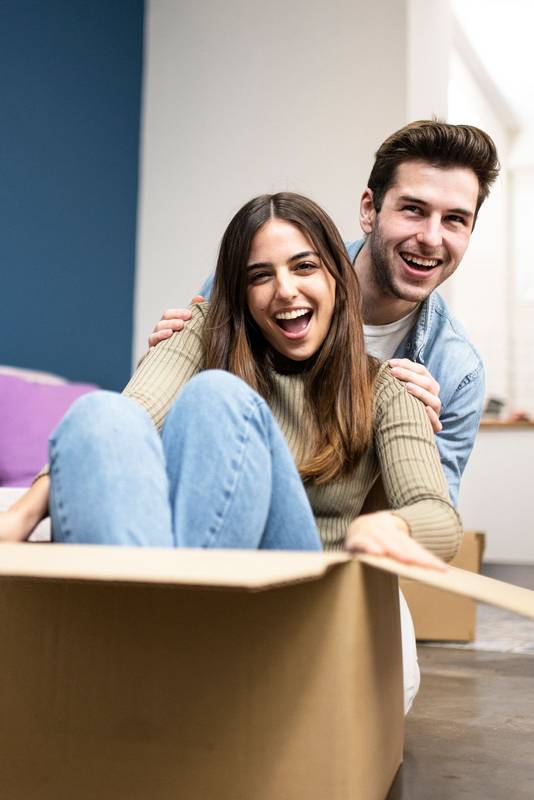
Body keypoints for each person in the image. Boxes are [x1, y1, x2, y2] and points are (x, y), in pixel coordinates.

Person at [0, 192, 460, 712]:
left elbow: (439, 519)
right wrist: (23, 512)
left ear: (337, 277)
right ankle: (151, 666)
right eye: (259, 276)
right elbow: (135, 410)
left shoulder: (386, 390)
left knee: (218, 397)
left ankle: (152, 668)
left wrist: (392, 526)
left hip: (292, 603)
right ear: (239, 293)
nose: (285, 291)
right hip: (172, 606)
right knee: (99, 413)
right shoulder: (204, 334)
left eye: (304, 266)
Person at [149, 121, 499, 506]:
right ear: (370, 209)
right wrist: (174, 354)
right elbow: (170, 437)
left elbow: (422, 537)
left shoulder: (455, 372)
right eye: (414, 210)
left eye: (455, 219)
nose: (432, 238)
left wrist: (410, 448)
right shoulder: (259, 277)